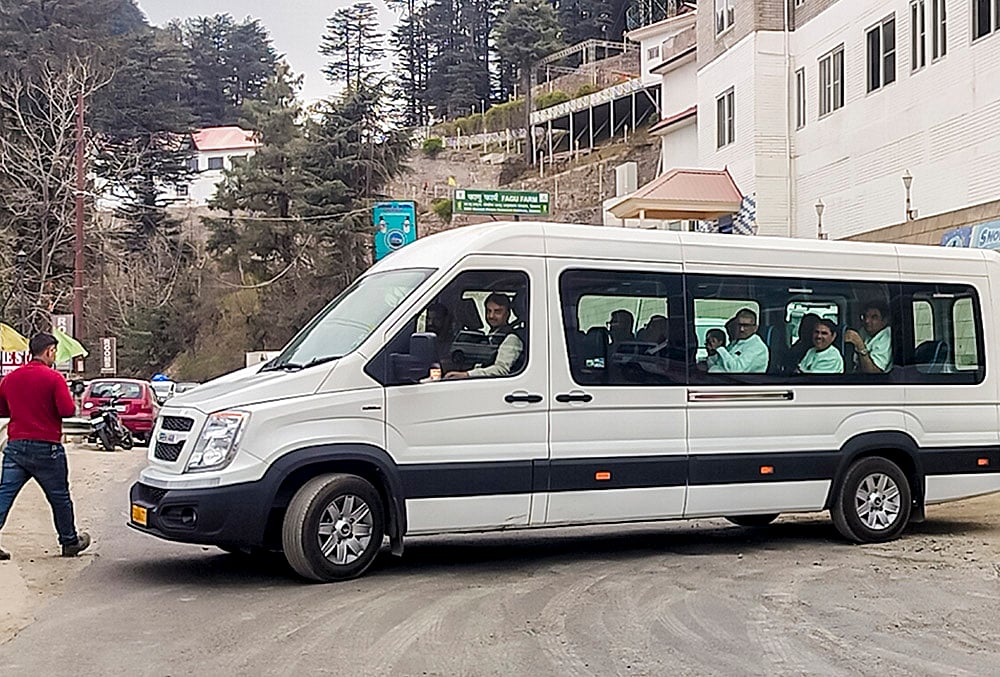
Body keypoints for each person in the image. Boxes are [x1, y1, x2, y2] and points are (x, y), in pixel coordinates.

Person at [0, 333, 91, 560]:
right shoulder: (53, 378)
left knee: (4, 495)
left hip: (16, 446)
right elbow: (67, 410)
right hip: (46, 447)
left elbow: (2, 410)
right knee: (59, 497)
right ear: (50, 351)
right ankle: (69, 541)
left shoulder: (10, 379)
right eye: (55, 352)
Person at [445, 293, 523, 379]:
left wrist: (467, 375)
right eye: (488, 311)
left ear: (507, 314)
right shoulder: (493, 335)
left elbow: (501, 369)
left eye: (497, 312)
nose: (491, 316)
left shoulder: (511, 338)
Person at [708, 308, 769, 373]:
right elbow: (720, 363)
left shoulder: (757, 347)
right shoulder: (736, 343)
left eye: (746, 326)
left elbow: (736, 370)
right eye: (739, 325)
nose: (741, 329)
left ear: (755, 328)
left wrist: (720, 348)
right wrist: (713, 353)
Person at [844, 300, 893, 373]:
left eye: (874, 317)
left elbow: (873, 372)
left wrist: (860, 345)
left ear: (884, 321)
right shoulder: (864, 331)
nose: (867, 321)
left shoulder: (886, 337)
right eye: (865, 316)